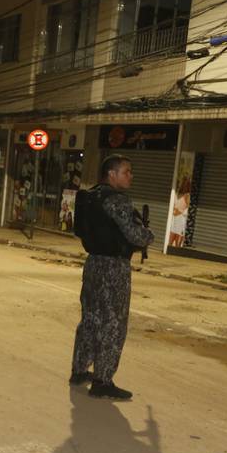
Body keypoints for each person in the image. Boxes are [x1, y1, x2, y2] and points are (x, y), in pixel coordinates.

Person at [70, 154, 154, 400]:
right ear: (112, 174)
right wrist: (148, 235)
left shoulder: (91, 196)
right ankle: (103, 380)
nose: (131, 176)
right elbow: (136, 235)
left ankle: (79, 370)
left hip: (93, 263)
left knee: (90, 319)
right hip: (113, 268)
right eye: (126, 171)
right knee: (113, 324)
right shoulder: (117, 200)